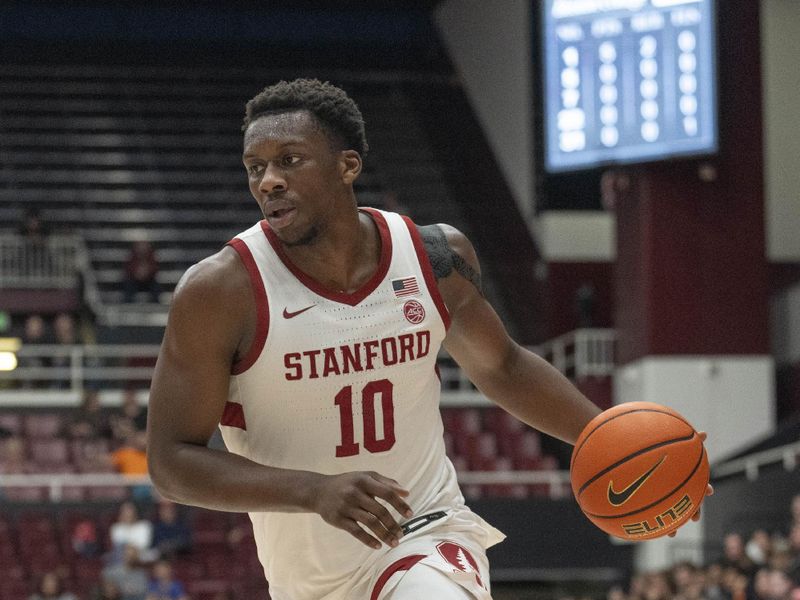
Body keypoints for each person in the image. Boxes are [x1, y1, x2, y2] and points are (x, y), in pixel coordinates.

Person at [146, 79, 708, 600]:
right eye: (255, 167)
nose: (268, 180)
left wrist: (618, 447)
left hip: (427, 534)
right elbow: (171, 463)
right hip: (307, 578)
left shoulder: (435, 258)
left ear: (347, 166)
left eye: (289, 160)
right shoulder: (220, 291)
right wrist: (313, 490)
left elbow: (503, 368)